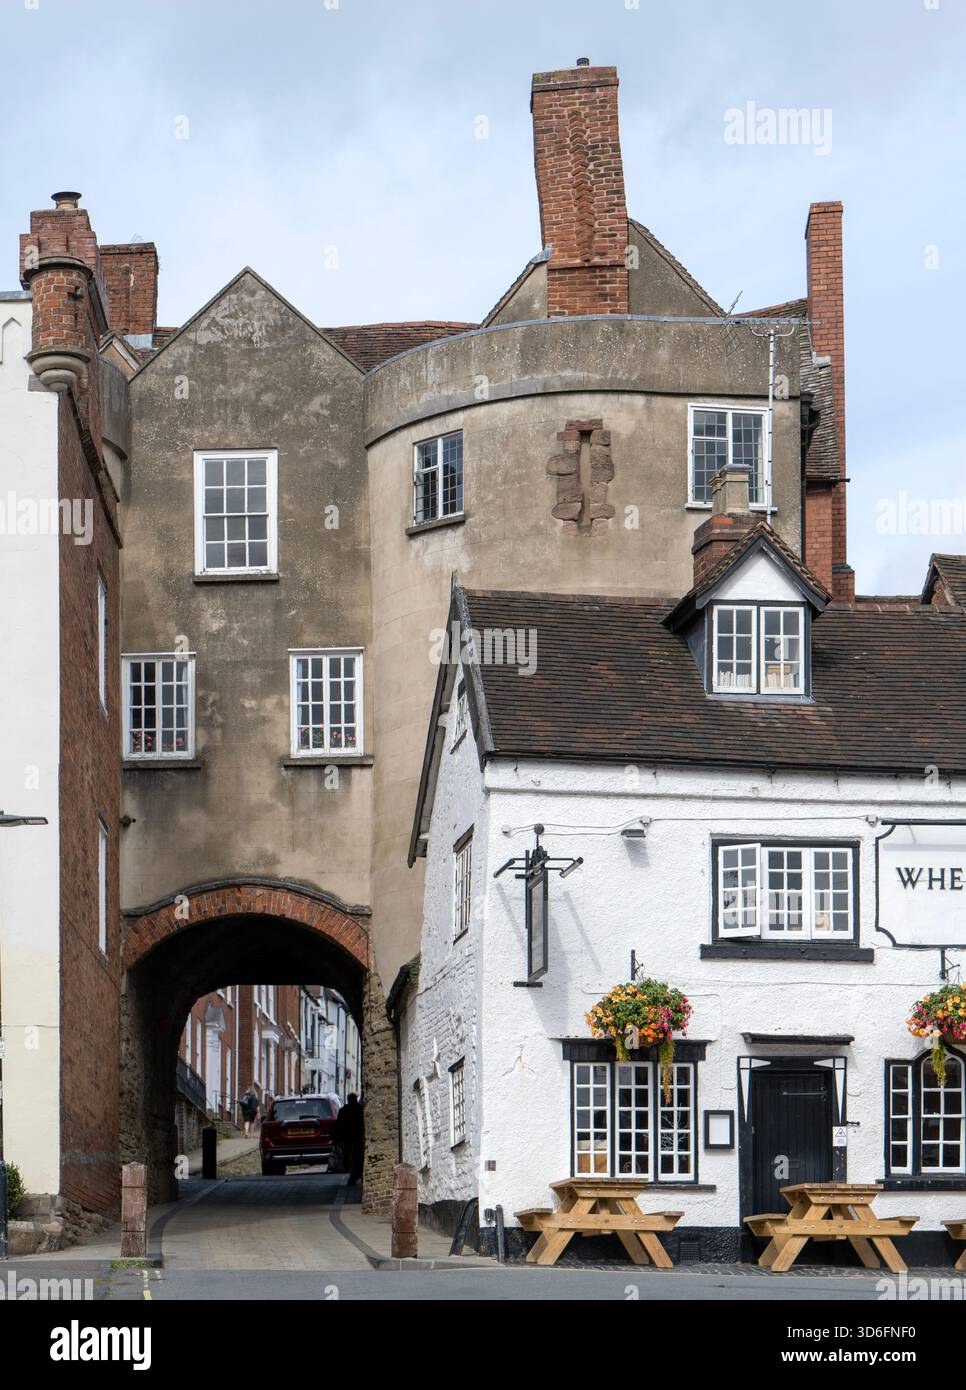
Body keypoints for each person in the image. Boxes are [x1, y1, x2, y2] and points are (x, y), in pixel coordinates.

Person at [333, 1093, 364, 1184]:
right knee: (357, 1156)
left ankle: (352, 1174)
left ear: (348, 1100)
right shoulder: (360, 1109)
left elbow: (338, 1125)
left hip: (347, 1138)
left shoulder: (343, 1110)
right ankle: (356, 1174)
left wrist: (336, 1138)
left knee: (348, 1156)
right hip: (357, 1137)